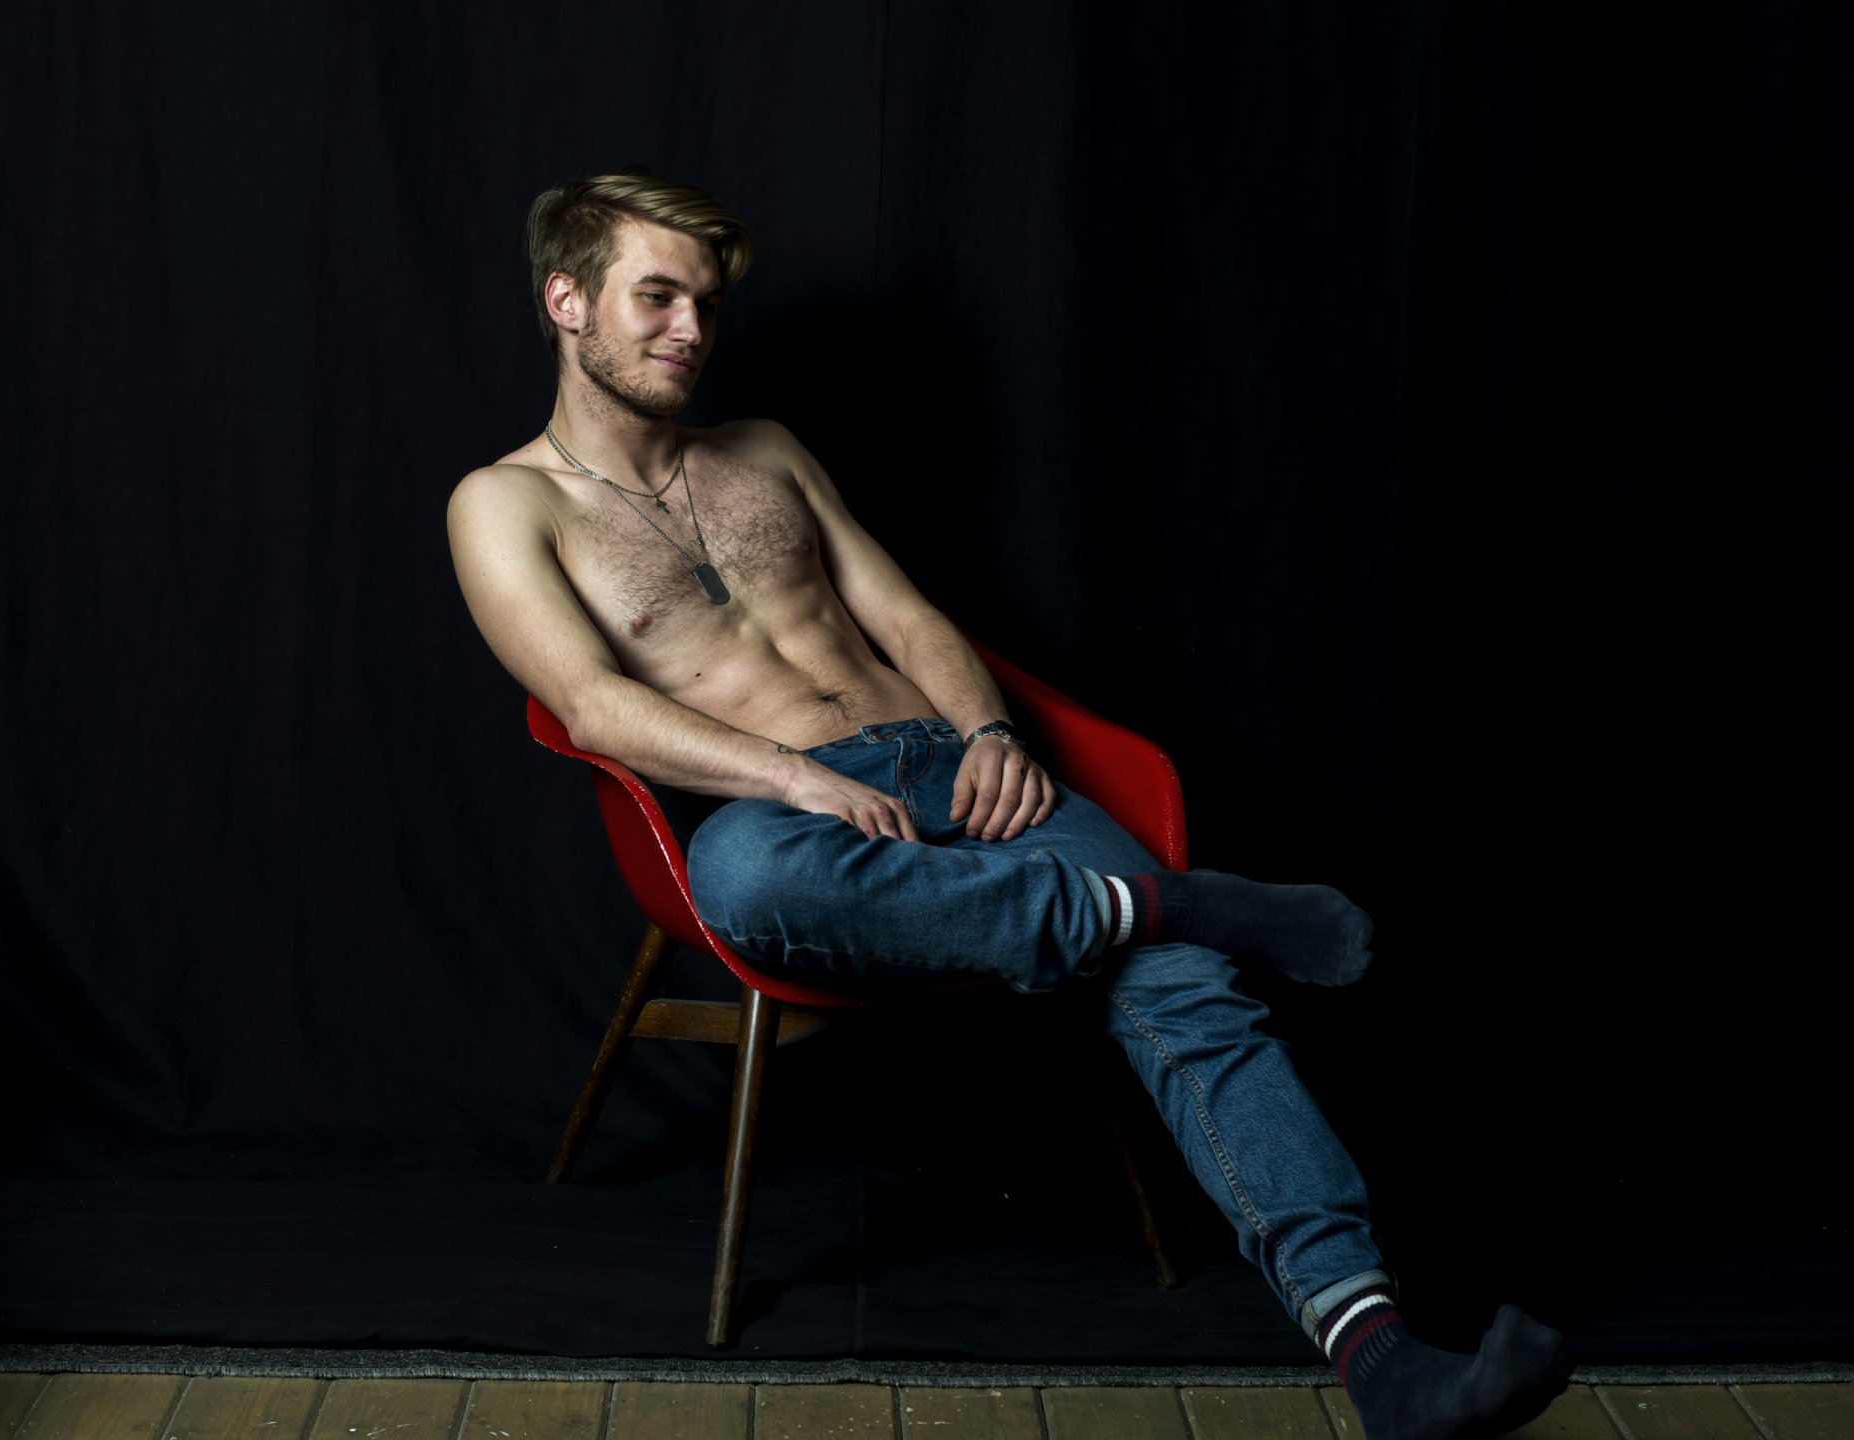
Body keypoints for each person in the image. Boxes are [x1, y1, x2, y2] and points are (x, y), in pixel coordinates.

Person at [448, 169, 1570, 1439]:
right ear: (567, 300)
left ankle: (1382, 1360)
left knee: (1186, 989)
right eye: (657, 298)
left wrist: (988, 730)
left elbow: (907, 617)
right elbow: (593, 707)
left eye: (705, 303)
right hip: (791, 812)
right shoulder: (504, 504)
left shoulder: (765, 451)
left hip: (953, 767)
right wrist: (794, 775)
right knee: (744, 879)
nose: (691, 330)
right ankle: (1163, 903)